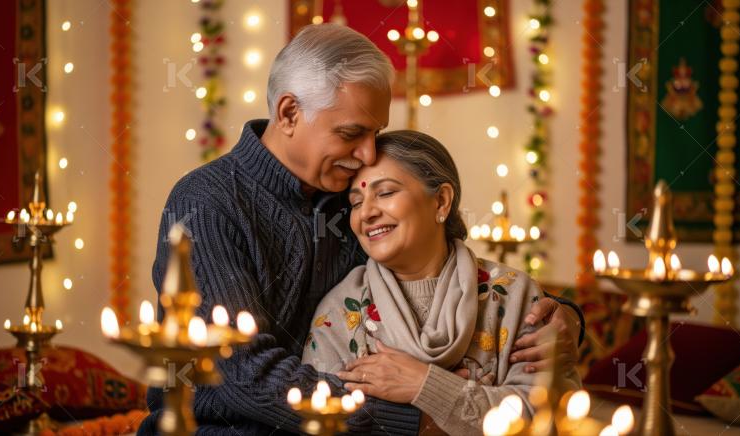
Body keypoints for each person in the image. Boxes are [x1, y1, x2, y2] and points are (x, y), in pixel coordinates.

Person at [140, 24, 584, 435]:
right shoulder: (206, 203)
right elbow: (241, 373)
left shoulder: (348, 200)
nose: (369, 153)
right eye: (353, 133)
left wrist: (561, 316)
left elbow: (437, 275)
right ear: (290, 112)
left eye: (376, 133)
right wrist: (417, 418)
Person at [301, 130, 581, 435]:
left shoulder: (513, 296)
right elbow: (323, 423)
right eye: (356, 202)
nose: (366, 213)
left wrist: (425, 384)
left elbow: (546, 418)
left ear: (441, 201)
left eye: (385, 193)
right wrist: (468, 403)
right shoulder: (341, 310)